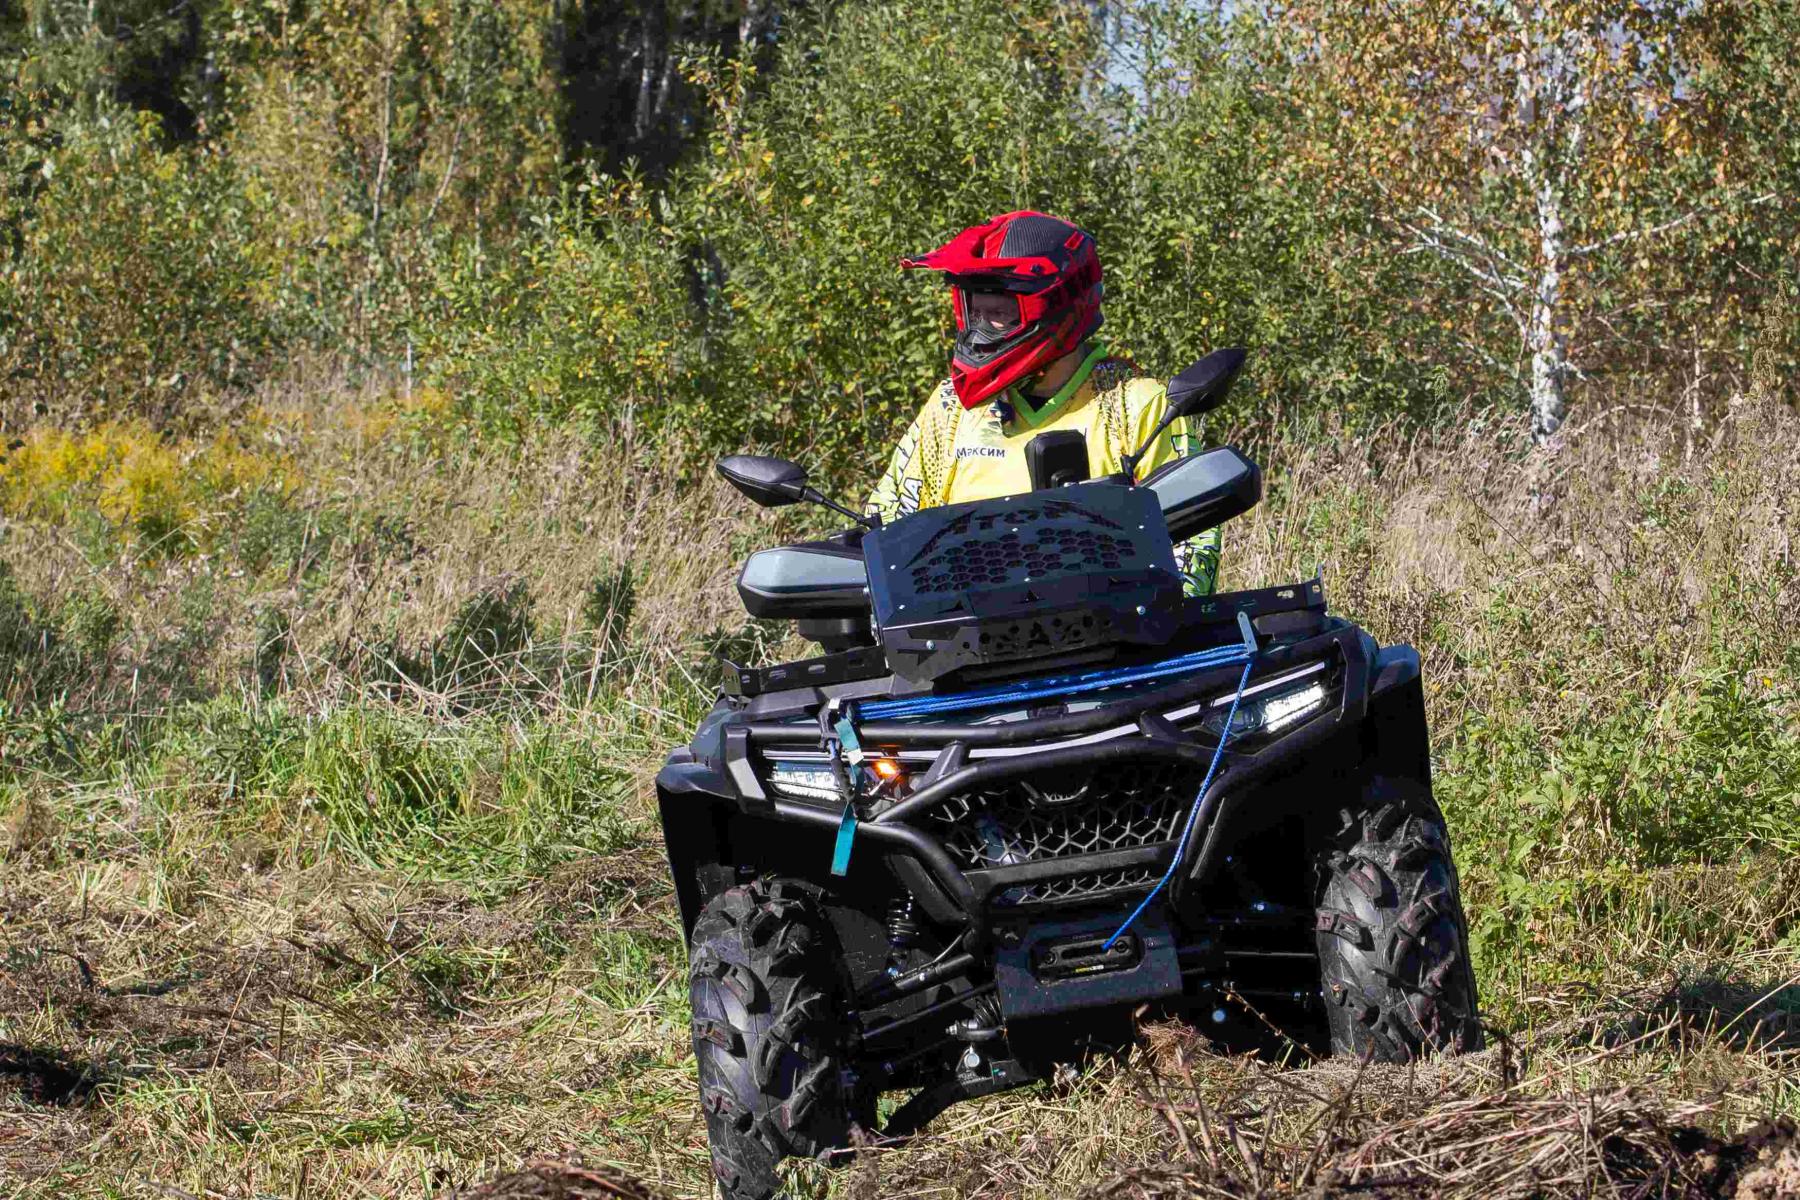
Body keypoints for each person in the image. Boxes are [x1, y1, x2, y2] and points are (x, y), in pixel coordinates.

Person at [865, 210, 1222, 595]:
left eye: (998, 313)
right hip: (966, 638)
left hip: (1116, 639)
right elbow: (884, 534)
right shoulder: (950, 410)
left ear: (1053, 307)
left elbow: (1192, 549)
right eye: (974, 312)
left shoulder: (1136, 407)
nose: (980, 330)